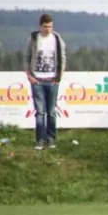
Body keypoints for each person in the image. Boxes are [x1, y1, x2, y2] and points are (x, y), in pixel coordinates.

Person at [24, 13, 67, 150]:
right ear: (40, 26)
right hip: (37, 80)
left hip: (52, 80)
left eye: (50, 26)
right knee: (40, 112)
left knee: (51, 111)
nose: (48, 29)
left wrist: (59, 77)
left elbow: (63, 57)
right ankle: (40, 140)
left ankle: (51, 138)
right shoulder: (33, 38)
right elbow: (26, 57)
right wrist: (29, 76)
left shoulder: (57, 38)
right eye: (45, 27)